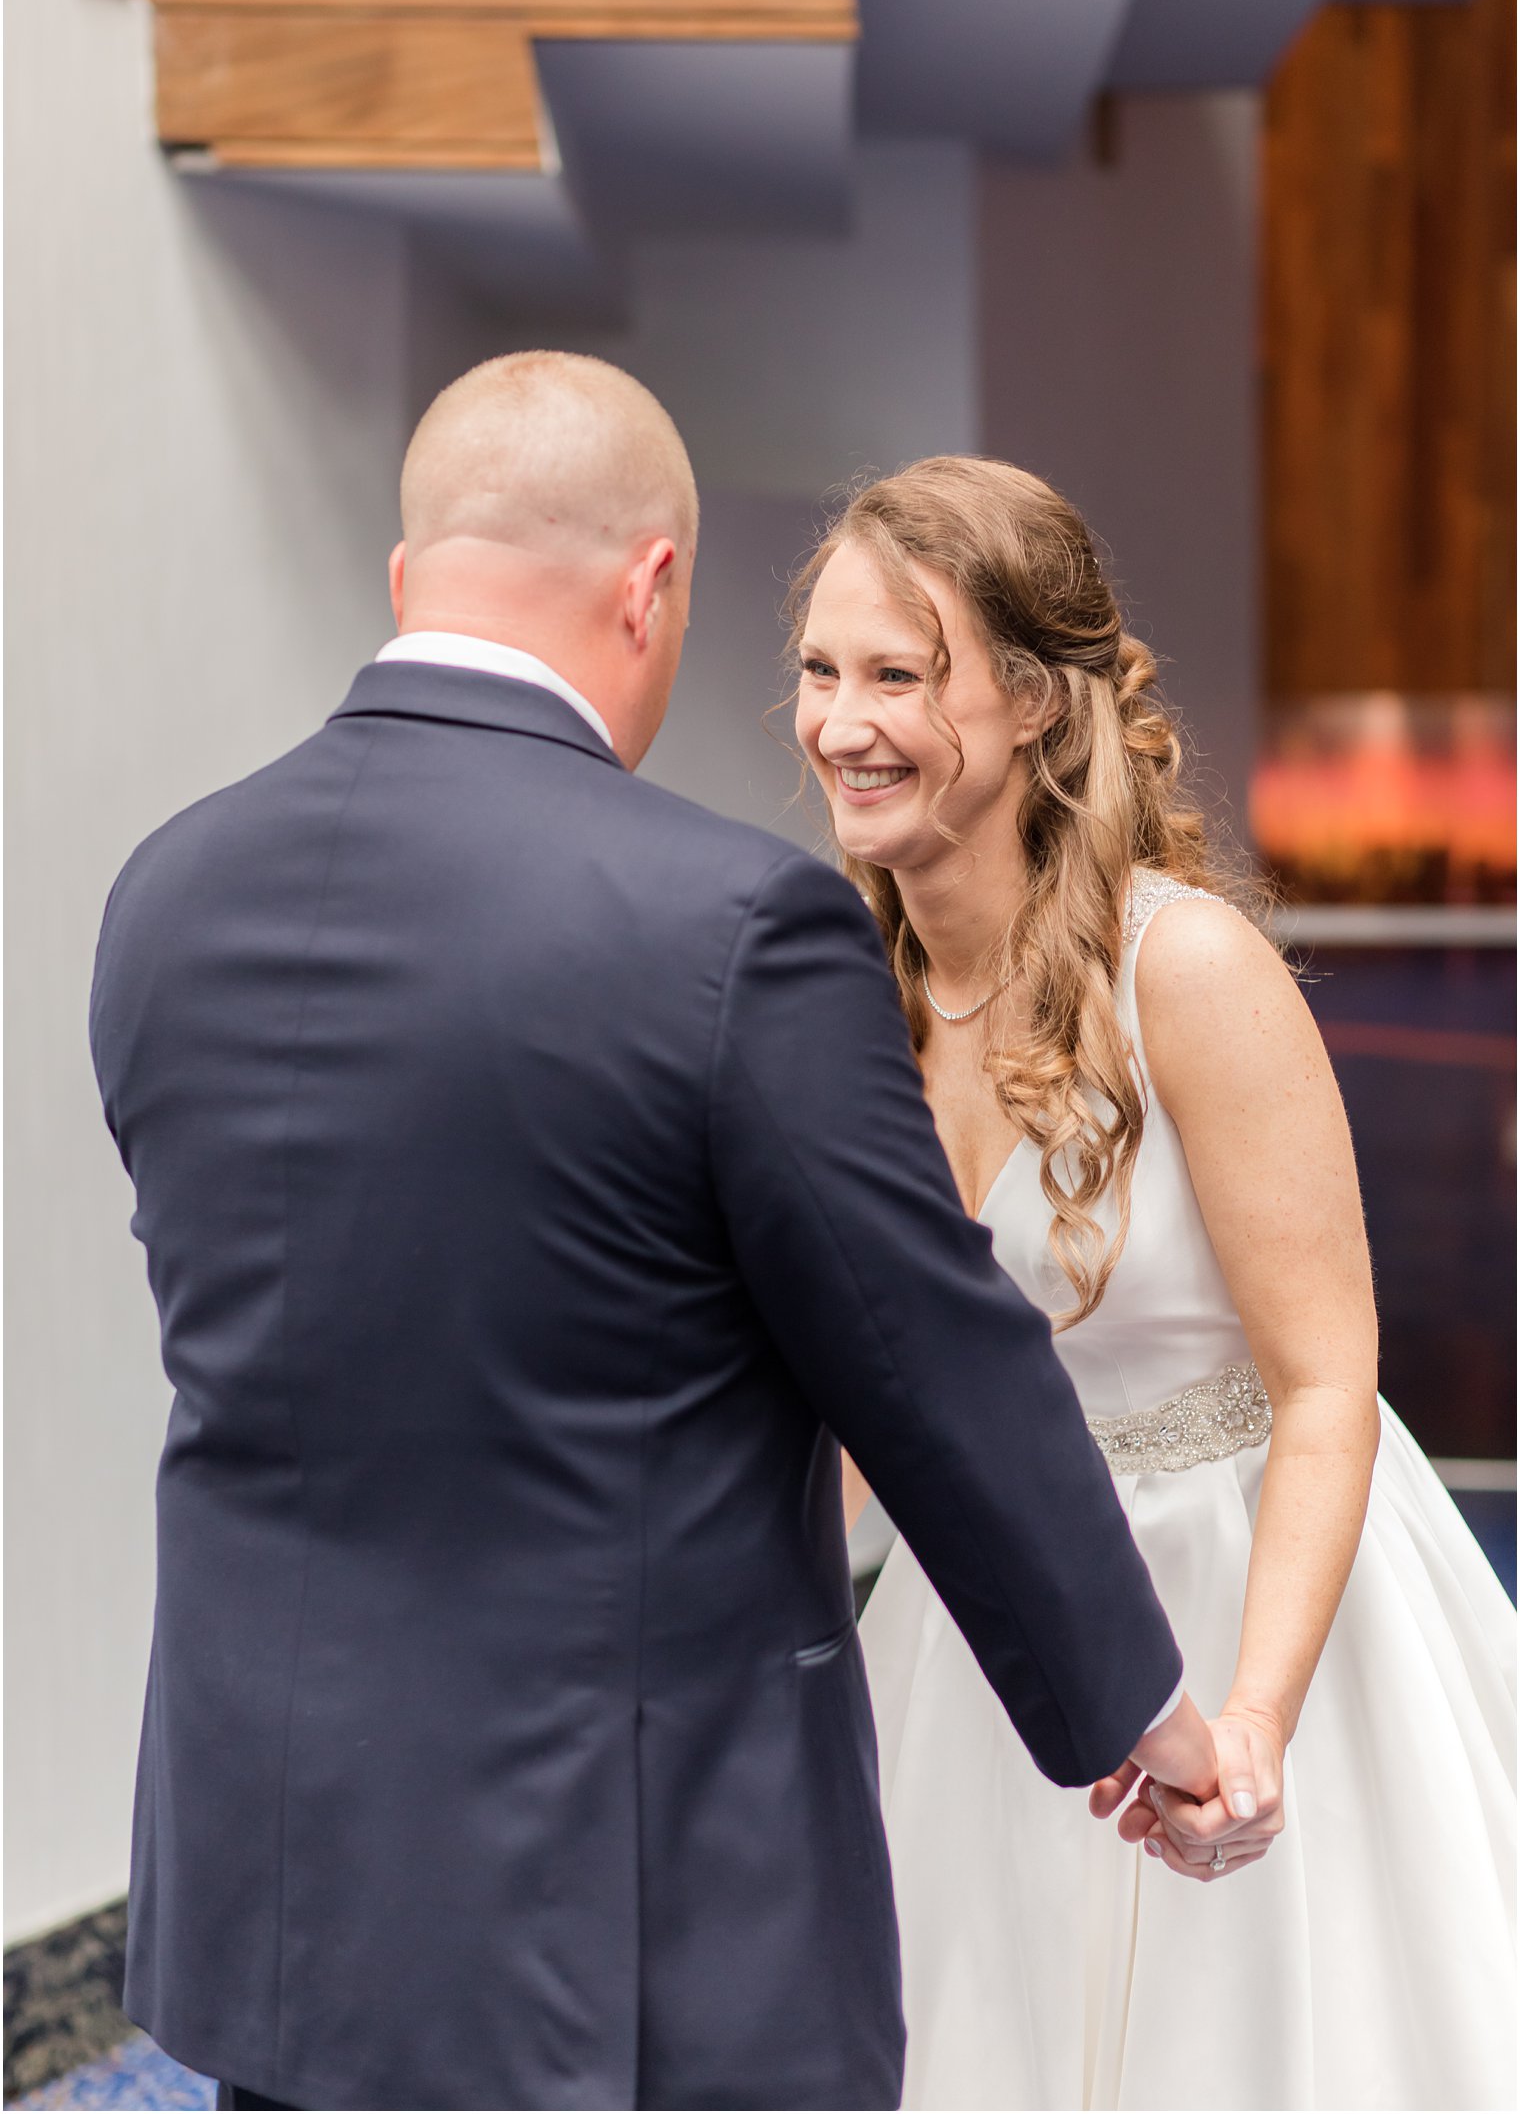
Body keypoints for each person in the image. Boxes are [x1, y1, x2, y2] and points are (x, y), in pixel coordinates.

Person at [89, 356, 1223, 2114]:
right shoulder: (729, 926)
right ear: (651, 586)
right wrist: (1136, 1706)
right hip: (619, 1900)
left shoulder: (164, 894)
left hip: (274, 1876)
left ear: (410, 582)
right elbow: (926, 1356)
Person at [793, 453, 1518, 2112]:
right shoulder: (843, 992)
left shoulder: (1182, 964)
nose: (842, 721)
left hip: (1251, 1608)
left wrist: (1255, 1719)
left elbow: (1333, 1379)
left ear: (1041, 707)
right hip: (993, 1633)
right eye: (822, 672)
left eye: (900, 674)